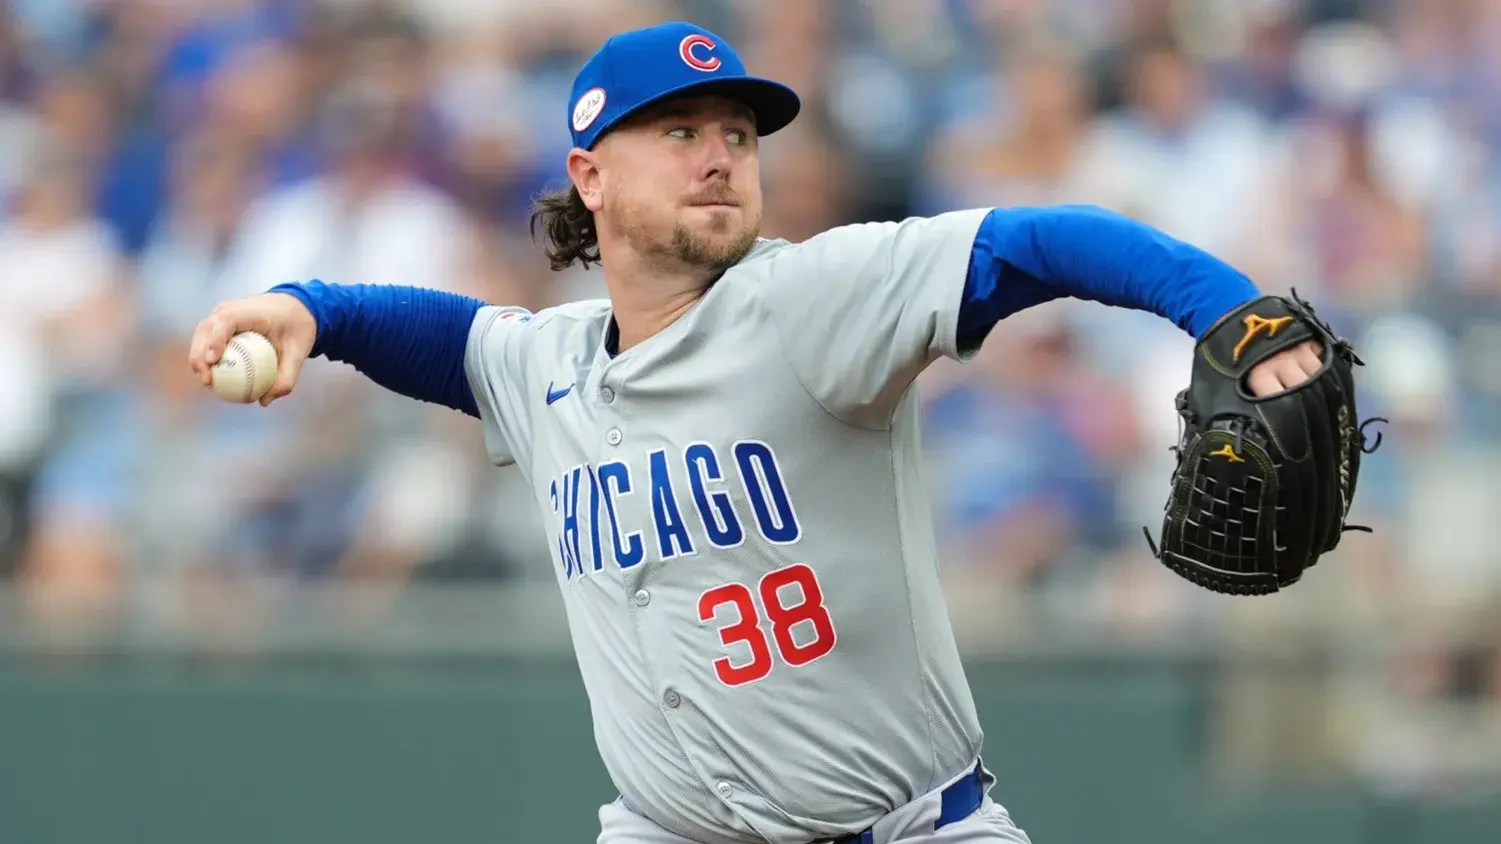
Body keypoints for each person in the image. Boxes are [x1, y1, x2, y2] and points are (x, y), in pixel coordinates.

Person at [188, 21, 1324, 844]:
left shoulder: (812, 300)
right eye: (678, 131)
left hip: (908, 830)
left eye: (736, 130)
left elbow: (1036, 242)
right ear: (588, 174)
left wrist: (1231, 309)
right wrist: (310, 311)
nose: (720, 151)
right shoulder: (552, 366)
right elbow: (449, 338)